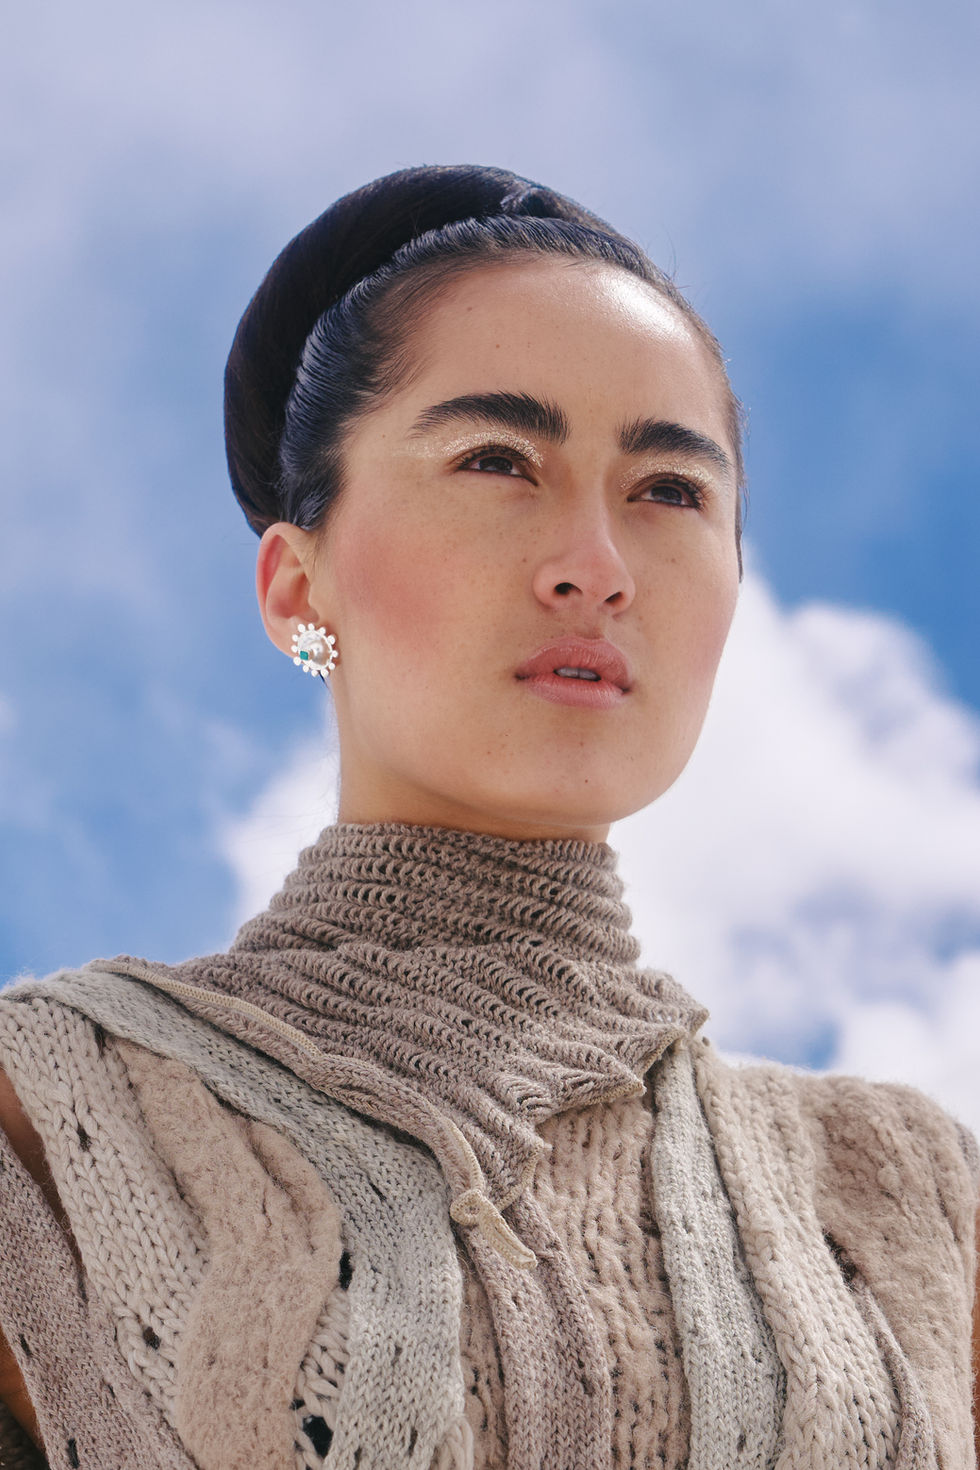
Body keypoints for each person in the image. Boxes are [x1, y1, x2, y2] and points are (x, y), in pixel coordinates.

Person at [0, 165, 976, 1470]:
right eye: (498, 461)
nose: (597, 568)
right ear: (297, 588)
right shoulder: (47, 1109)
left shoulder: (911, 1190)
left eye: (670, 489)